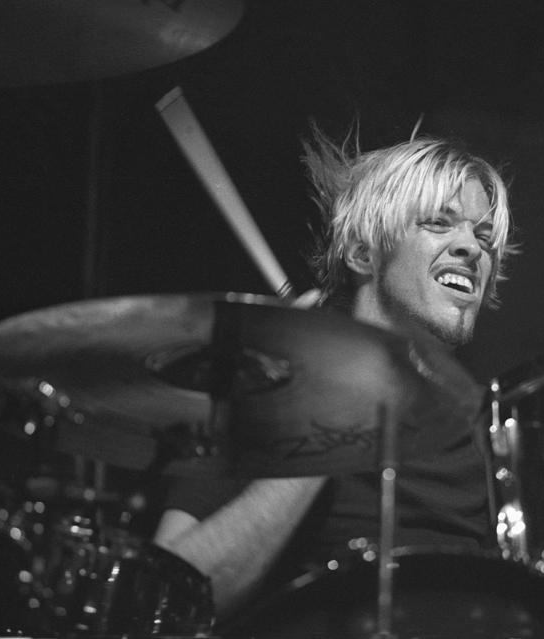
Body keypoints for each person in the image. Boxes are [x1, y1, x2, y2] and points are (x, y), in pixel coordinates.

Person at [152, 124, 516, 619]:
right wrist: (324, 417)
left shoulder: (491, 424)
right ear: (363, 252)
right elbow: (166, 602)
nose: (472, 248)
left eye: (483, 235)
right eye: (438, 222)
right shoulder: (265, 387)